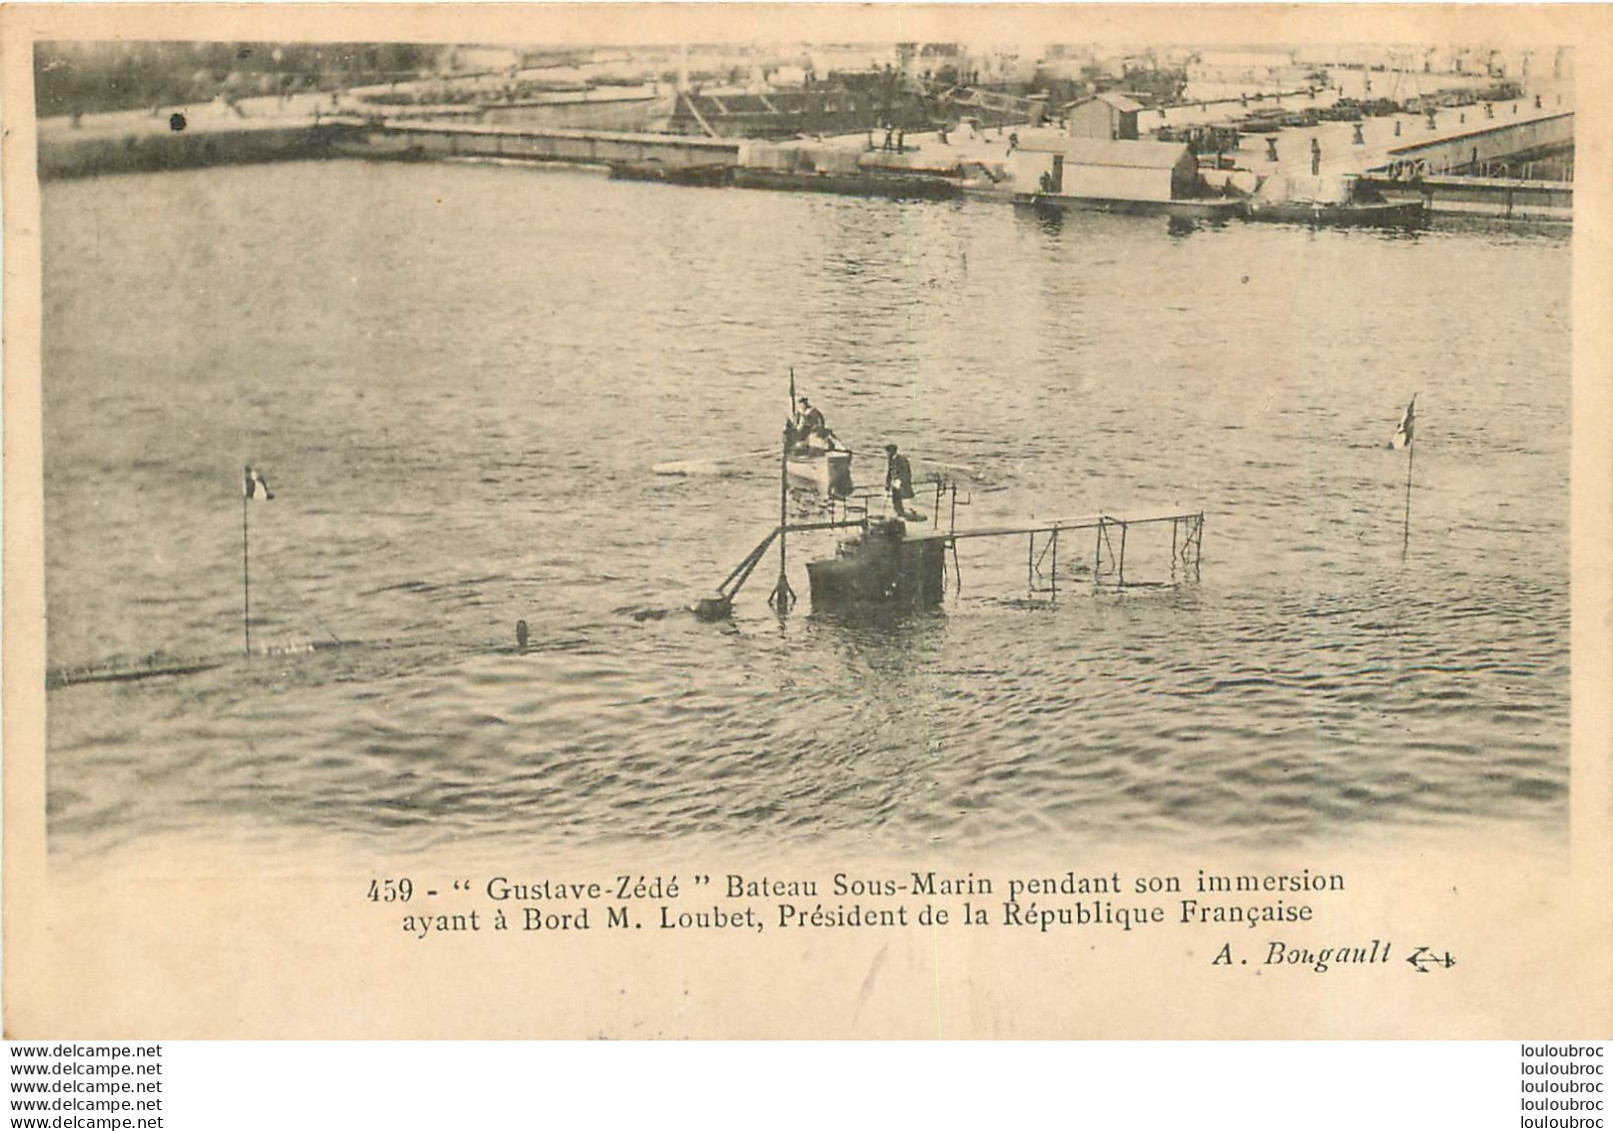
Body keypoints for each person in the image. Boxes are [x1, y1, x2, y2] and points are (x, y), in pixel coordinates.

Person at [885, 443, 918, 519]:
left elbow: (906, 472)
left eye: (888, 452)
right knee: (895, 499)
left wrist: (900, 480)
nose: (887, 454)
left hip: (902, 483)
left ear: (892, 452)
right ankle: (899, 512)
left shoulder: (902, 460)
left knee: (904, 499)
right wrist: (887, 484)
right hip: (895, 483)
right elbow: (889, 472)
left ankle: (909, 514)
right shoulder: (891, 459)